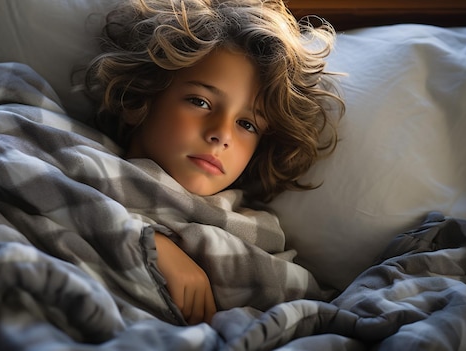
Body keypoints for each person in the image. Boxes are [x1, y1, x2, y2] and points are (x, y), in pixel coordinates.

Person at [84, 0, 344, 325]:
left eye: (247, 124)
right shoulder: (64, 152)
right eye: (201, 101)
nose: (222, 134)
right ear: (142, 96)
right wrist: (143, 241)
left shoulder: (257, 241)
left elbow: (313, 316)